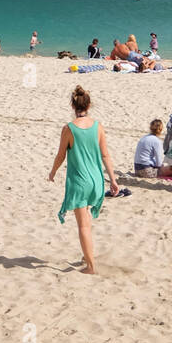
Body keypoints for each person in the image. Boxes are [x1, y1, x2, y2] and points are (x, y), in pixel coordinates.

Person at [49, 85, 119, 274]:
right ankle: (87, 256)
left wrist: (53, 172)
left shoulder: (69, 129)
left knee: (83, 226)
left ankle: (90, 266)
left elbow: (60, 155)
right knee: (86, 220)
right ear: (89, 105)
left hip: (80, 181)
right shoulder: (98, 126)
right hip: (97, 181)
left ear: (73, 106)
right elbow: (106, 155)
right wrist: (113, 180)